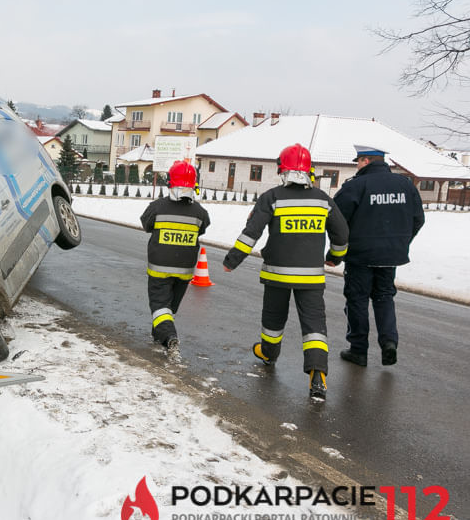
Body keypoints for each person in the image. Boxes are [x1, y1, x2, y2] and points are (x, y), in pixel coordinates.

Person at [222, 144, 349, 399]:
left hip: (277, 275)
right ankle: (317, 374)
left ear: (283, 170)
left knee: (273, 319)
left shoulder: (272, 197)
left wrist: (232, 260)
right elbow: (342, 234)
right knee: (314, 326)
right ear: (309, 172)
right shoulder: (323, 200)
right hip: (311, 277)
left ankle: (268, 353)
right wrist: (335, 257)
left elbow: (252, 233)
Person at [332, 146, 425, 367]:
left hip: (360, 256)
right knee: (384, 297)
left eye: (358, 161)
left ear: (365, 161)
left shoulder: (355, 186)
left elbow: (337, 223)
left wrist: (335, 253)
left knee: (358, 300)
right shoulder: (406, 185)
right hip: (391, 256)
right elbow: (418, 219)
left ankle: (358, 350)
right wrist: (399, 243)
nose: (357, 165)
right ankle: (389, 343)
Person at [140, 160, 211, 359]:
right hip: (185, 271)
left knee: (160, 305)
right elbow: (203, 227)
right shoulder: (200, 212)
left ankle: (169, 337)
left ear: (170, 182)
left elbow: (146, 224)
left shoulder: (157, 207)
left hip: (159, 269)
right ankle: (159, 334)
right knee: (169, 307)